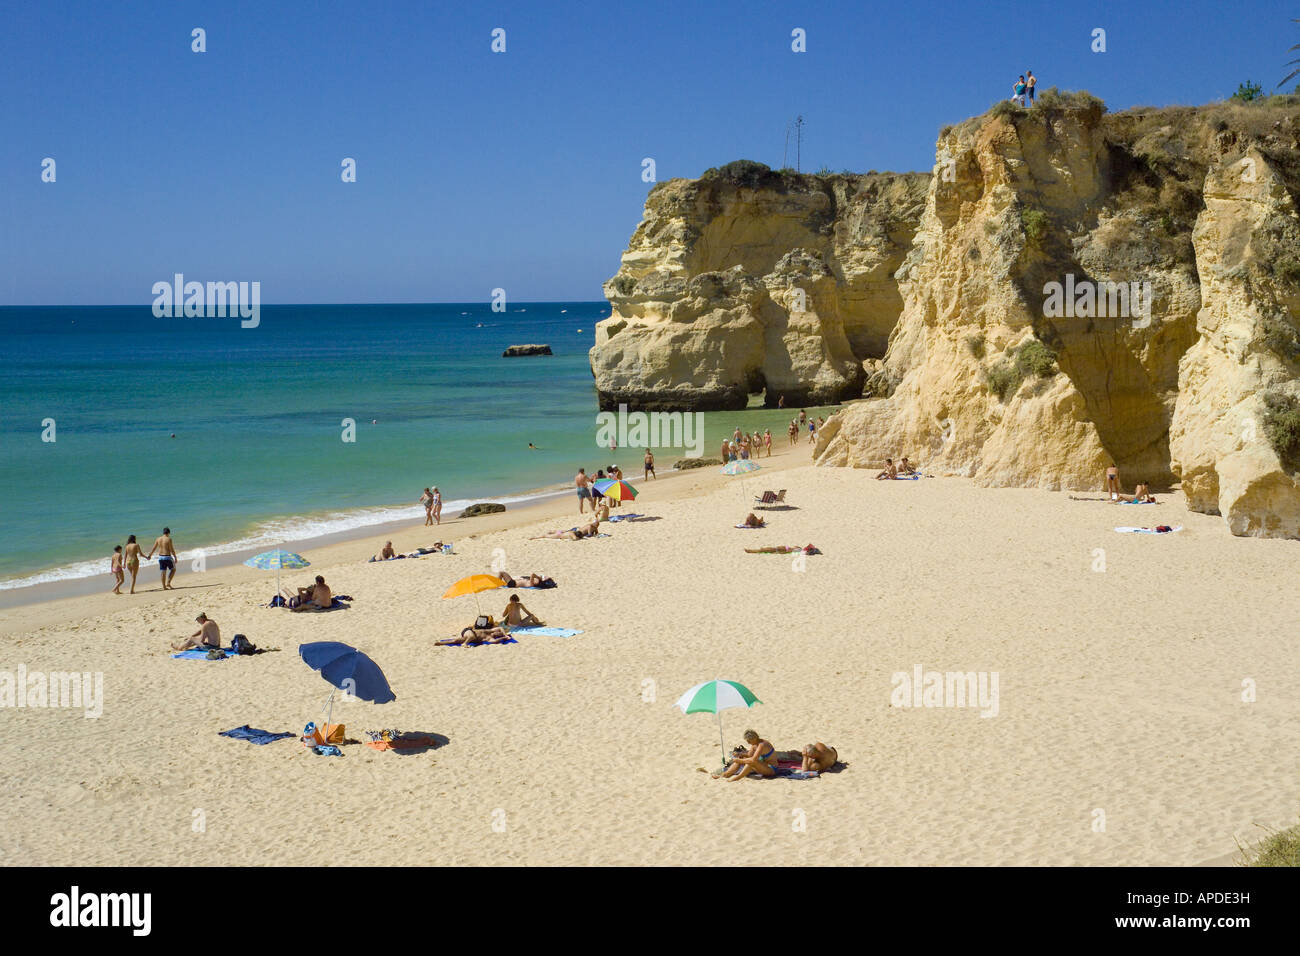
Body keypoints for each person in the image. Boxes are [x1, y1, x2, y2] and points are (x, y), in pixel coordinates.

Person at [713, 730, 778, 781]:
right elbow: (749, 755)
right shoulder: (755, 744)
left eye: (749, 741)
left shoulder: (762, 745)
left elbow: (753, 759)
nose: (748, 743)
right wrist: (739, 754)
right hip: (763, 765)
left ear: (753, 739)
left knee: (750, 762)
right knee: (742, 758)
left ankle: (738, 777)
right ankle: (725, 775)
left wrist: (740, 761)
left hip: (771, 769)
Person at [436, 626, 512, 646]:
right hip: (468, 631)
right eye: (498, 632)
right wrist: (505, 635)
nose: (496, 632)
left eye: (498, 634)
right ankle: (465, 644)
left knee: (455, 641)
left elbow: (495, 642)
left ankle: (440, 643)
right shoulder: (490, 630)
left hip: (469, 637)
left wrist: (504, 637)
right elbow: (500, 628)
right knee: (472, 636)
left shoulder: (489, 638)